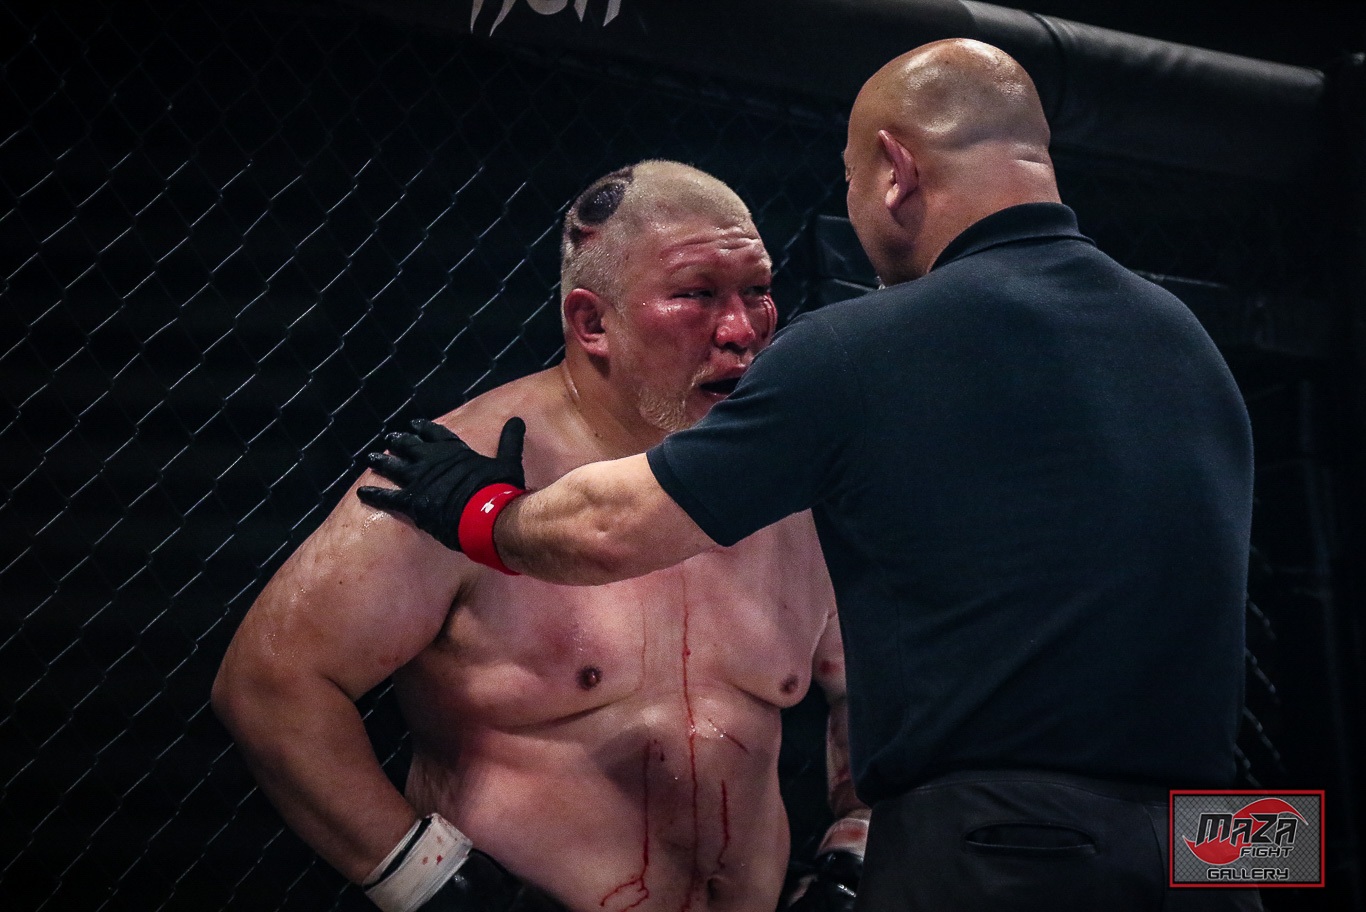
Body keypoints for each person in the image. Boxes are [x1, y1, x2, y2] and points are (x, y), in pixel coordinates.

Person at [357, 40, 1262, 912]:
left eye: (850, 181)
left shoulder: (865, 346)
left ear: (895, 170)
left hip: (1012, 842)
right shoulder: (1187, 344)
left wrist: (475, 508)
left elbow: (609, 528)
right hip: (1229, 839)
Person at [213, 160, 869, 912]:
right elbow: (270, 684)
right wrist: (435, 883)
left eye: (756, 290)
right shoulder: (454, 482)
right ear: (593, 323)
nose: (743, 331)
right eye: (696, 295)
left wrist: (854, 853)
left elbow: (877, 679)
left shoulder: (788, 479)